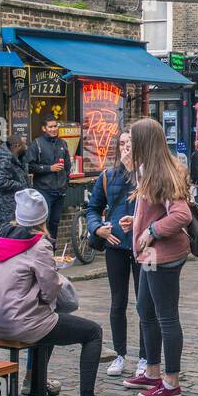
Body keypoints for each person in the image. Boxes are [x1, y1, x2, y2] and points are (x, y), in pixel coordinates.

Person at [0, 189, 108, 396]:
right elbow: (50, 289)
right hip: (22, 323)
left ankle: (36, 387)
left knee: (50, 319)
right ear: (42, 218)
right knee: (93, 333)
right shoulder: (38, 245)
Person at [120, 118, 192, 396]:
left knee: (166, 317)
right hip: (149, 254)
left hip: (164, 257)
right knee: (145, 310)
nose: (128, 145)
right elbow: (152, 209)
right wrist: (136, 222)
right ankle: (151, 372)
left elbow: (181, 215)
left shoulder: (162, 172)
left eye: (133, 140)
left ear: (144, 143)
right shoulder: (148, 170)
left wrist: (150, 230)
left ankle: (171, 382)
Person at [86, 129, 146, 378]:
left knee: (145, 304)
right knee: (117, 301)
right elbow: (93, 208)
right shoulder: (107, 176)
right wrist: (97, 228)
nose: (125, 148)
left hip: (143, 247)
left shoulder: (148, 175)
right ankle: (120, 354)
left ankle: (146, 357)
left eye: (130, 143)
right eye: (121, 143)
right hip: (116, 247)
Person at [26, 117, 72, 241]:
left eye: (55, 126)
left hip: (60, 191)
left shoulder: (63, 143)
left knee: (55, 223)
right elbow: (30, 167)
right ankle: (42, 251)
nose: (53, 129)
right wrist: (49, 168)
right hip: (44, 190)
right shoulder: (37, 144)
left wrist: (65, 182)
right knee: (43, 223)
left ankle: (52, 251)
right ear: (44, 128)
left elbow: (67, 166)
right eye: (50, 127)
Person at [0, 133, 30, 232]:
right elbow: (0, 181)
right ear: (17, 146)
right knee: (8, 232)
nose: (26, 147)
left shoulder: (19, 158)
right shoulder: (6, 160)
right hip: (8, 206)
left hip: (17, 203)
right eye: (24, 144)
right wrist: (20, 185)